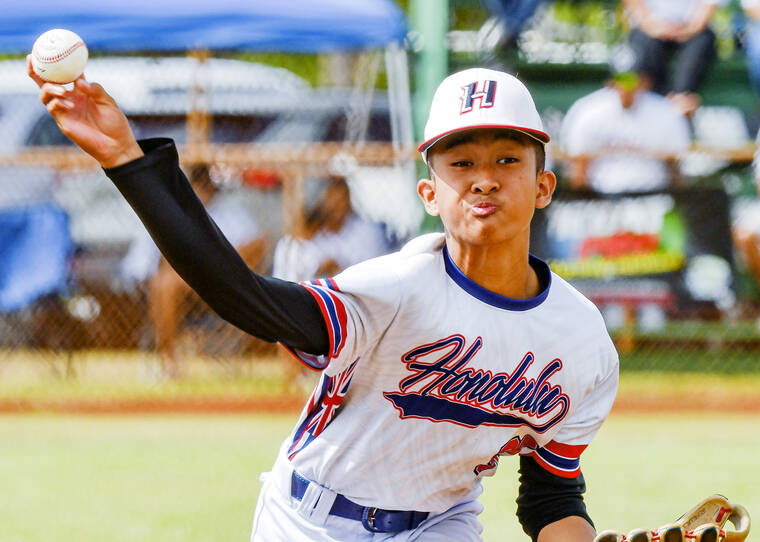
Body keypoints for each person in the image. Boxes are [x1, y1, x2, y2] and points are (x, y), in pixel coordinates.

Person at [30, 59, 619, 542]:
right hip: (310, 519)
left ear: (544, 186)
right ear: (429, 195)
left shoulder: (582, 340)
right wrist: (130, 163)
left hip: (442, 525)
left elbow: (551, 496)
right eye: (460, 163)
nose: (484, 179)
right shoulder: (393, 288)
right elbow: (248, 299)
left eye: (507, 160)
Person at [119, 163, 267, 376]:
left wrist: (218, 265)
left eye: (206, 185)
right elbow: (138, 264)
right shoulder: (170, 212)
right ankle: (168, 359)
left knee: (167, 282)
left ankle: (168, 357)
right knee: (163, 282)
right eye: (197, 184)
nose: (202, 191)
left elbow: (258, 244)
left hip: (223, 289)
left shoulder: (229, 213)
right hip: (181, 290)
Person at [559, 67, 691, 193]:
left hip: (654, 200)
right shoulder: (588, 111)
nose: (626, 88)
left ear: (645, 81)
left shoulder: (665, 112)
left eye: (631, 80)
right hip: (599, 200)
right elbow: (578, 172)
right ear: (611, 81)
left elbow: (675, 169)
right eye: (621, 80)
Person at [272, 174, 390, 282]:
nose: (336, 207)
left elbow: (373, 273)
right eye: (331, 200)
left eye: (341, 200)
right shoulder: (294, 243)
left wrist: (338, 268)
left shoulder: (366, 231)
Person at [623, 0, 727, 116]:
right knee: (645, 46)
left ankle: (679, 102)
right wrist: (654, 27)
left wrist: (687, 30)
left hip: (694, 33)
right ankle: (656, 104)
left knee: (701, 44)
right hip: (648, 31)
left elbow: (703, 16)